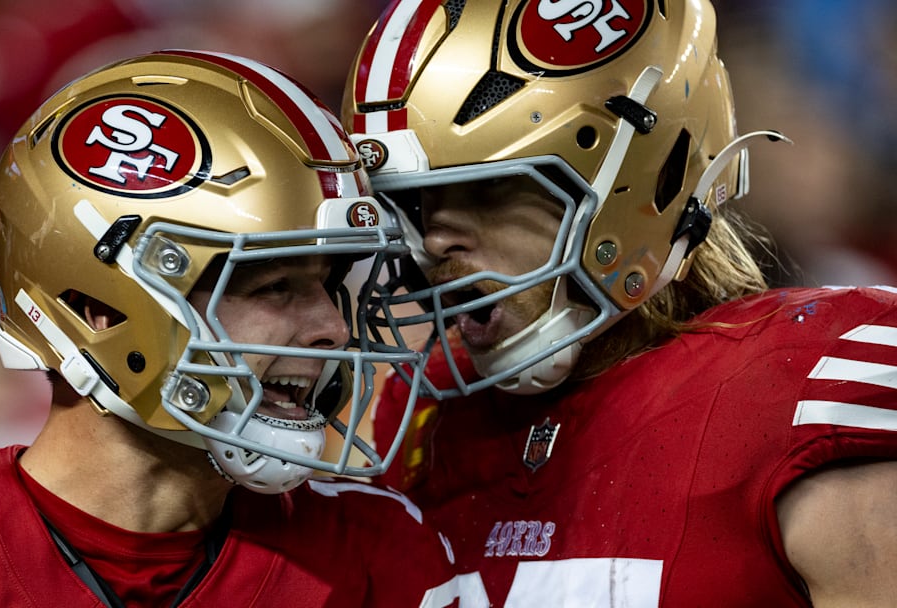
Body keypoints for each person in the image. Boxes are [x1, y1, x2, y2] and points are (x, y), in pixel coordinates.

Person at [0, 50, 458, 607]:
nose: (330, 328)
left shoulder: (380, 559)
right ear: (99, 309)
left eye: (327, 285)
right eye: (273, 286)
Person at [341, 1, 897, 606]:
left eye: (486, 186)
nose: (434, 240)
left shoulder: (815, 383)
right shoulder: (430, 412)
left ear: (644, 173)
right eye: (414, 205)